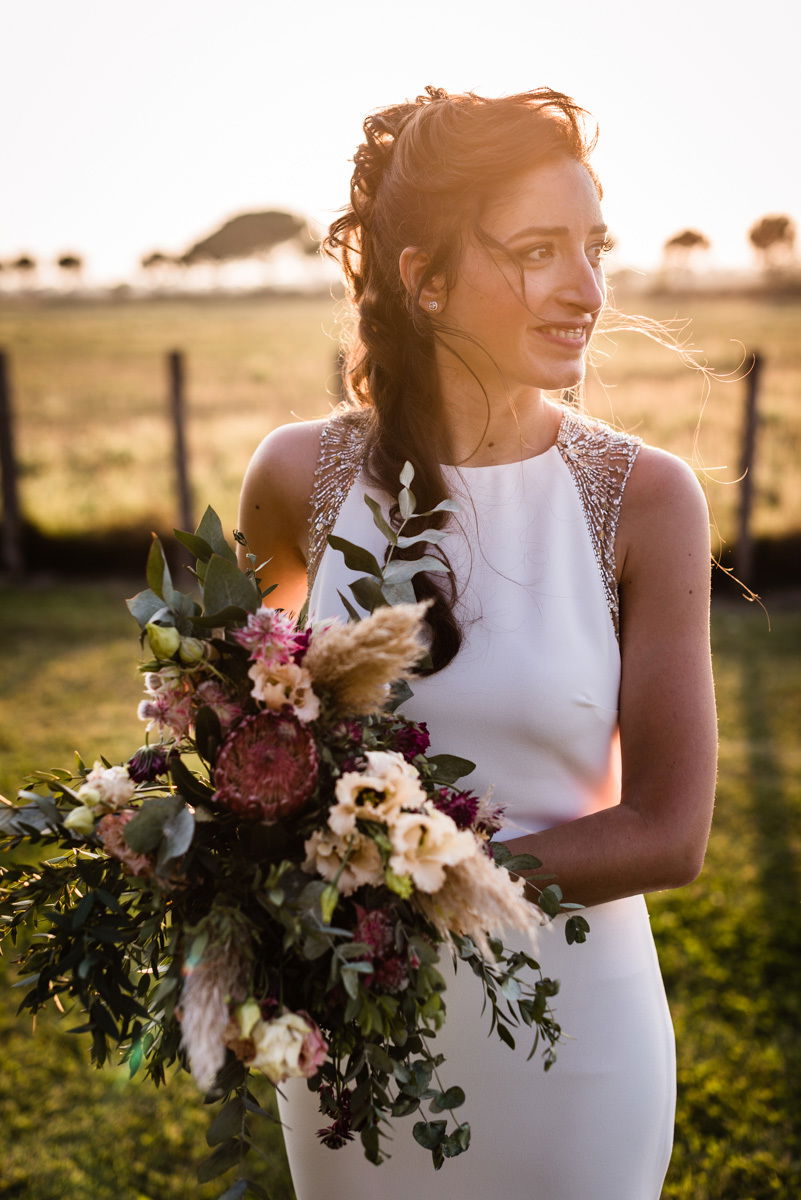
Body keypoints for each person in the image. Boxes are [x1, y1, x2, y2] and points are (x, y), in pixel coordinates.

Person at [237, 85, 717, 1200]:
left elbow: (670, 830)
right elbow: (235, 749)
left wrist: (419, 884)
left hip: (571, 1044)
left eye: (593, 247)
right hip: (352, 1042)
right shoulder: (296, 481)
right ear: (424, 277)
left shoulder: (644, 500)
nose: (587, 290)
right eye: (540, 250)